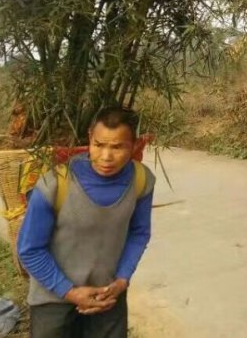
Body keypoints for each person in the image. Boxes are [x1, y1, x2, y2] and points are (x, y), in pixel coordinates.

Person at [18, 107, 155, 338]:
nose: (106, 157)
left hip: (107, 297)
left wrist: (122, 279)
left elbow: (139, 233)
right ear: (89, 138)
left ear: (134, 145)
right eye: (99, 145)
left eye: (117, 147)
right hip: (53, 299)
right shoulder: (55, 183)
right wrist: (70, 292)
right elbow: (29, 250)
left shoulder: (141, 180)